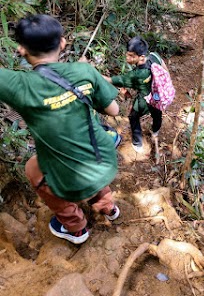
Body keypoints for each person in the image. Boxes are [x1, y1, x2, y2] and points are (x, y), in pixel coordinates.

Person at [0, 14, 121, 244]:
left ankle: (75, 227)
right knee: (85, 144)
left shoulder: (19, 85)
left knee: (33, 169)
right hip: (104, 161)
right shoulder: (84, 72)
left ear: (22, 49)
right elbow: (114, 110)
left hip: (70, 176)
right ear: (63, 43)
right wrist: (88, 75)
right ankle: (108, 206)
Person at [104, 36, 165, 155]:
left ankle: (137, 144)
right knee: (157, 113)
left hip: (144, 100)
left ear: (141, 57)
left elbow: (111, 80)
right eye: (127, 54)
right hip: (158, 96)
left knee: (133, 116)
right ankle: (155, 131)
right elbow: (164, 70)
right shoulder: (154, 56)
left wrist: (90, 71)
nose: (127, 58)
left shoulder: (136, 74)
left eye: (131, 56)